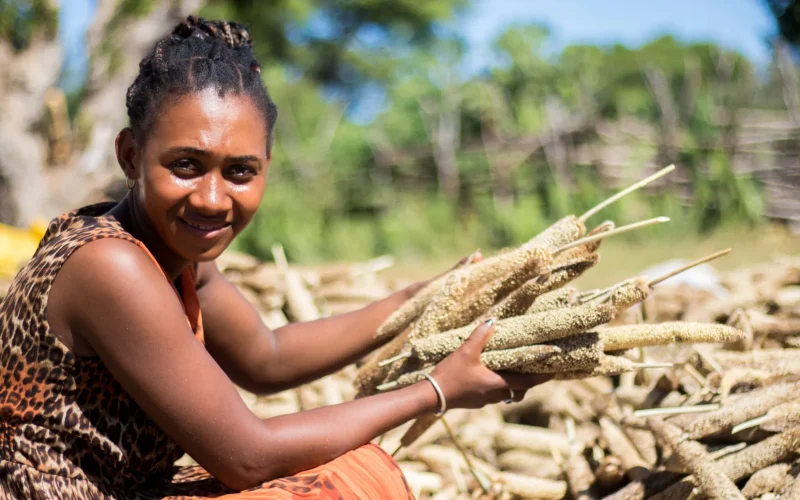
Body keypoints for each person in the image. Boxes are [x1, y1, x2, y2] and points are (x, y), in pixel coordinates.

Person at [0, 16, 550, 499]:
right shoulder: (110, 266)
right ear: (130, 155)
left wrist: (420, 298)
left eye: (240, 171)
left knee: (356, 468)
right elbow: (247, 456)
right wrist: (436, 392)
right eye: (186, 165)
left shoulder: (174, 255)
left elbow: (266, 358)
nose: (213, 199)